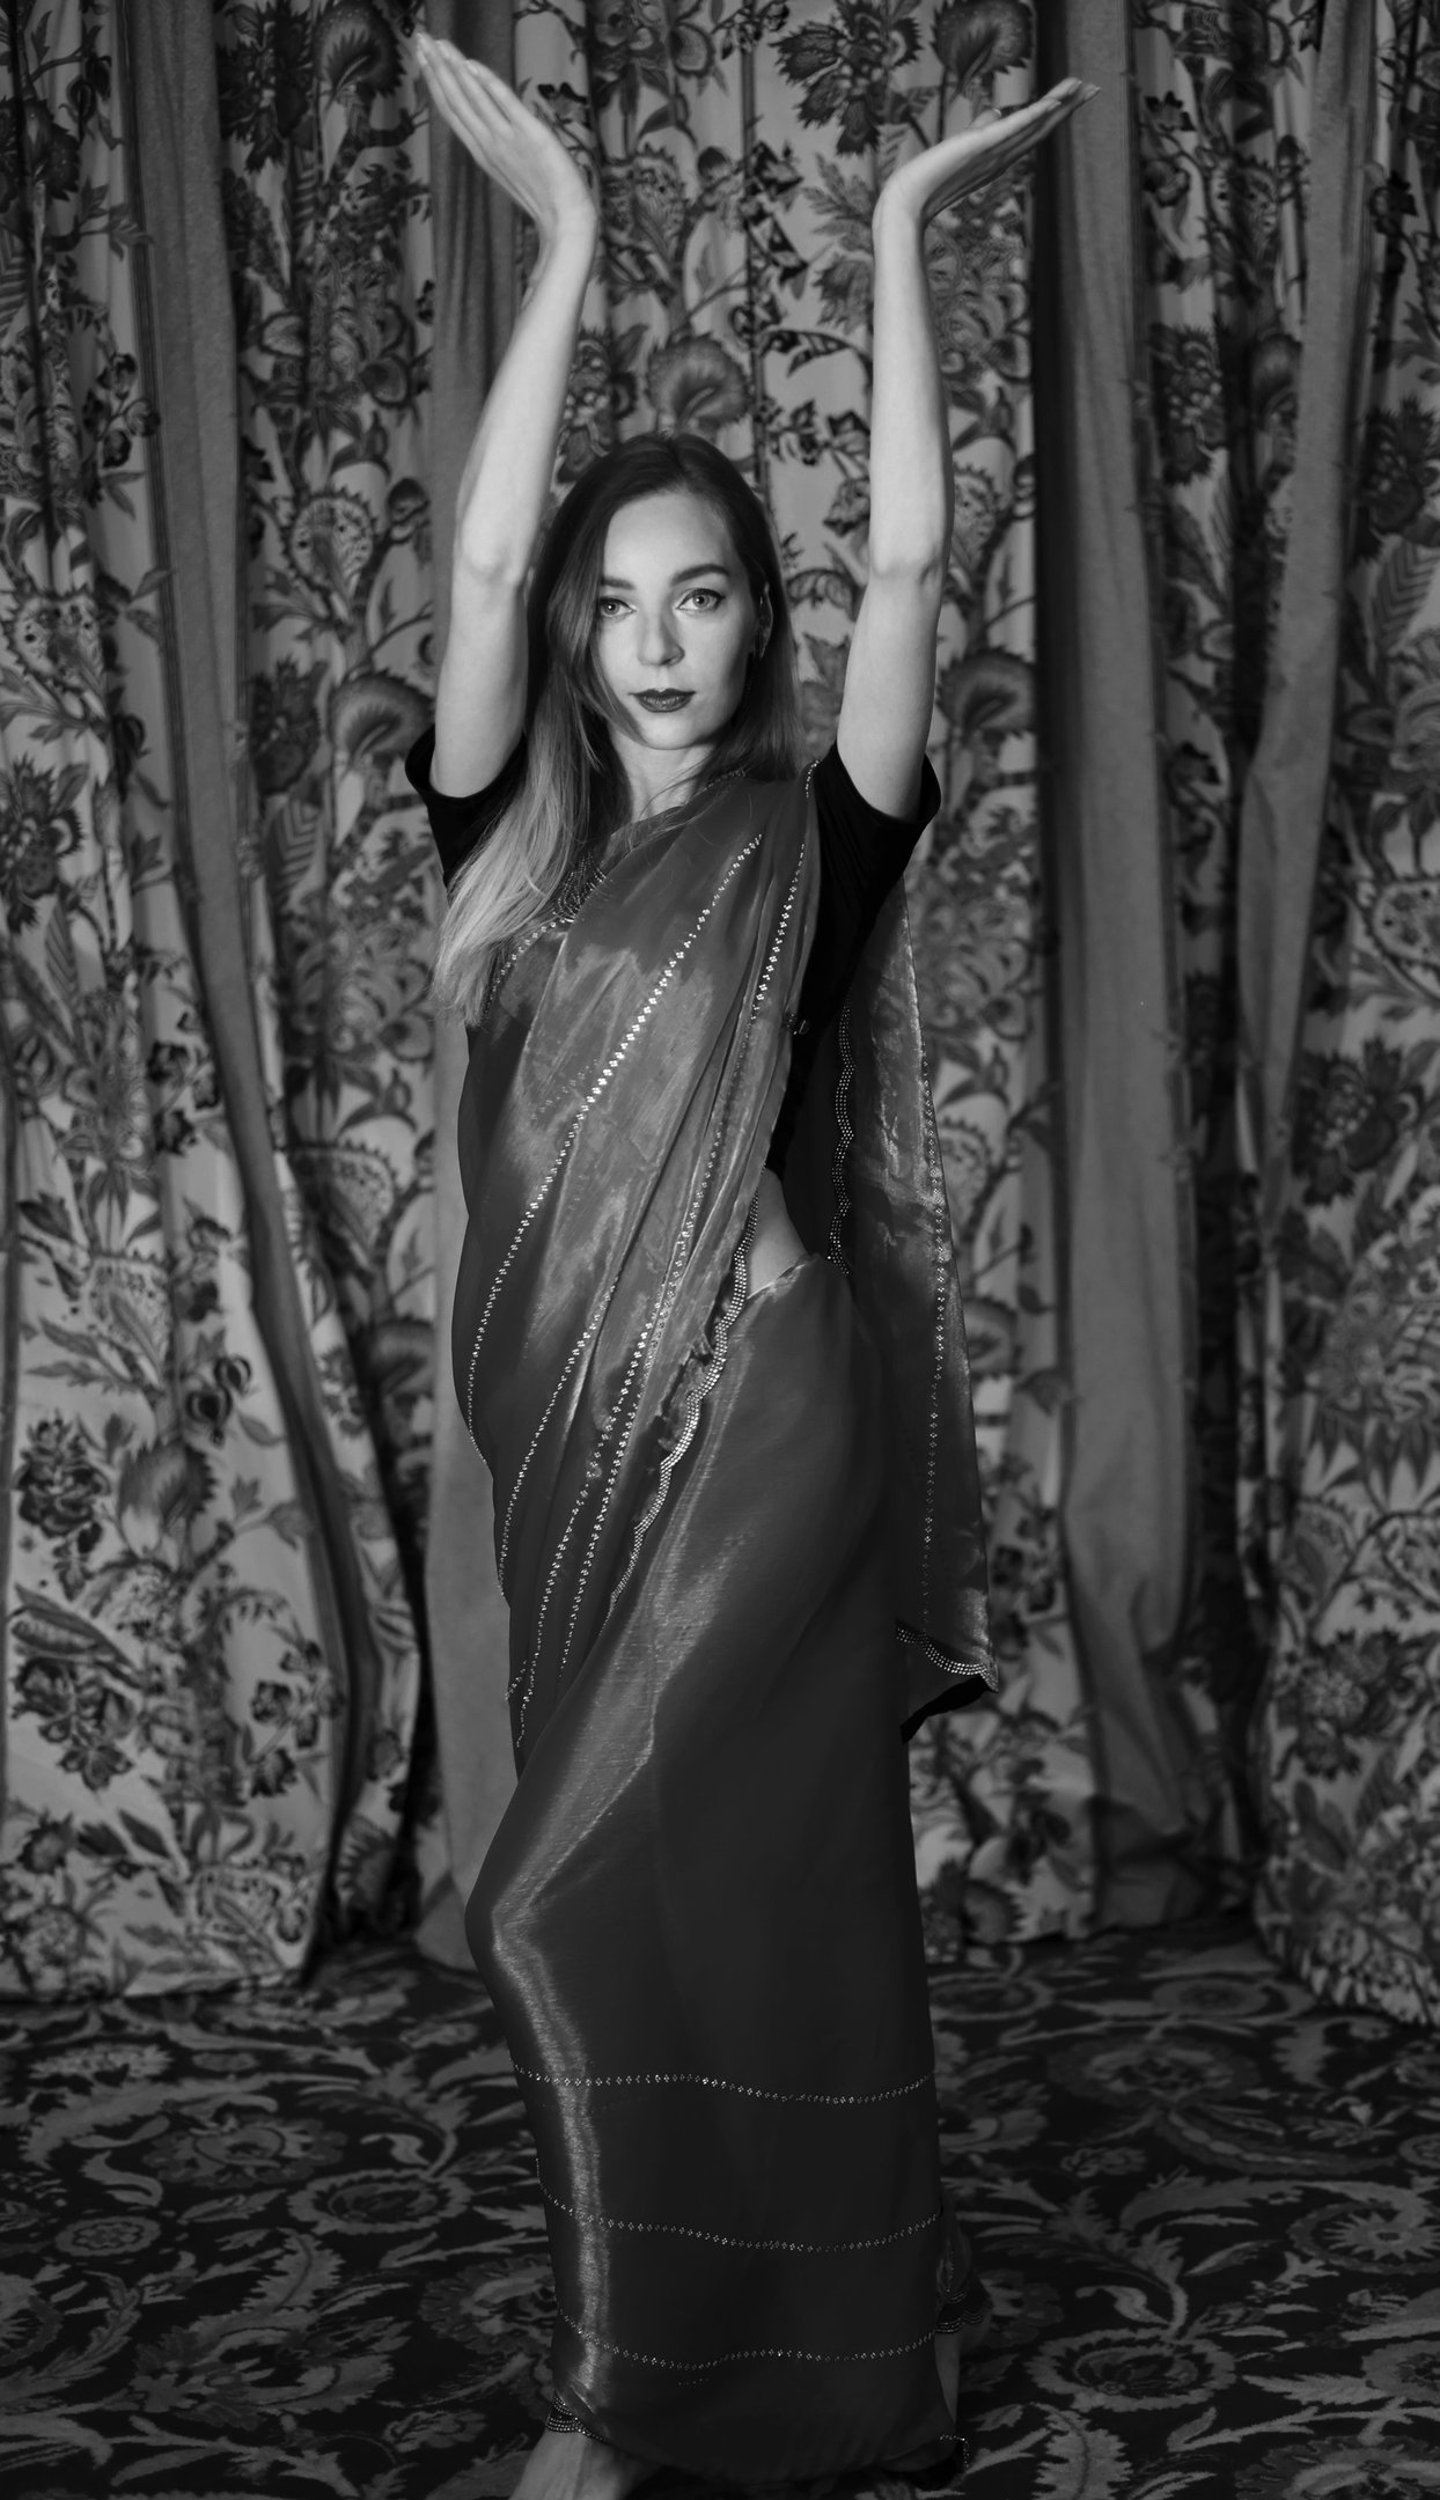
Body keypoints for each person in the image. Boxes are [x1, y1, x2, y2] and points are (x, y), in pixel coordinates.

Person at [407, 33, 1087, 2498]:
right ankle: (815, 2351)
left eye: (703, 597)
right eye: (623, 605)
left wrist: (901, 232)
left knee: (557, 1893)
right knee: (736, 1894)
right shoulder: (507, 839)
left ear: (752, 622)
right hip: (577, 1437)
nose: (659, 640)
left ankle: (610, 2412)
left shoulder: (827, 836)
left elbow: (910, 567)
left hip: (770, 1428)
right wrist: (568, 249)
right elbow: (478, 572)